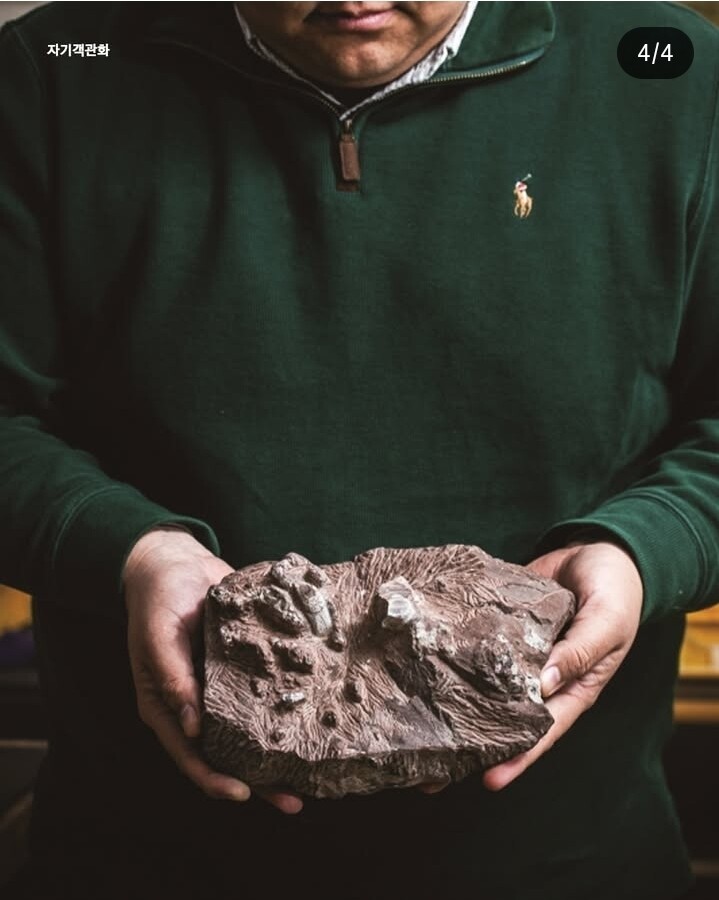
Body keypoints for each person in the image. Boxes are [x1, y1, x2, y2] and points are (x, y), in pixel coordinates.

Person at [1, 2, 717, 898]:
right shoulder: (52, 67)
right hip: (143, 859)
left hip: (564, 860)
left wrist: (644, 549)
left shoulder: (675, 73)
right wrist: (131, 553)